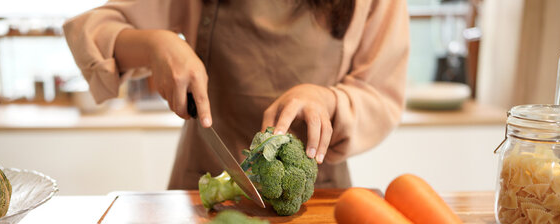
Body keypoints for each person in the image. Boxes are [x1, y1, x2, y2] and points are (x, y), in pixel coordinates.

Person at [63, 0, 409, 190]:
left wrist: (329, 100)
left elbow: (379, 94)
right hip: (205, 183)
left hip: (316, 192)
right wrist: (156, 45)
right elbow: (93, 29)